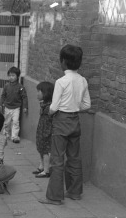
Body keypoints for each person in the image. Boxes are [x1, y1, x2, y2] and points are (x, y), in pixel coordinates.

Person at [39, 45, 91, 205]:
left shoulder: (61, 82)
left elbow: (54, 107)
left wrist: (51, 112)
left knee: (57, 159)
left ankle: (55, 196)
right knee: (74, 158)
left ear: (63, 62)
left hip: (61, 122)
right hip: (75, 121)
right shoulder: (82, 80)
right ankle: (75, 192)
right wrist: (74, 108)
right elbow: (87, 105)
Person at [0, 66, 28, 143]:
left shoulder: (20, 87)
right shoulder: (6, 86)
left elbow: (24, 97)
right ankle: (6, 134)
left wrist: (25, 107)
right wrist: (0, 104)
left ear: (17, 76)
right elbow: (3, 95)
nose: (11, 77)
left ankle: (14, 136)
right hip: (7, 107)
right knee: (7, 122)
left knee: (15, 122)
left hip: (16, 108)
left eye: (13, 75)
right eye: (10, 75)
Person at [33, 81, 54, 178]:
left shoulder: (50, 106)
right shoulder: (43, 104)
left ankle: (46, 170)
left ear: (45, 93)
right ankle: (41, 167)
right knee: (40, 148)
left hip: (46, 131)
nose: (37, 93)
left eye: (39, 91)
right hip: (41, 130)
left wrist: (47, 133)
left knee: (45, 150)